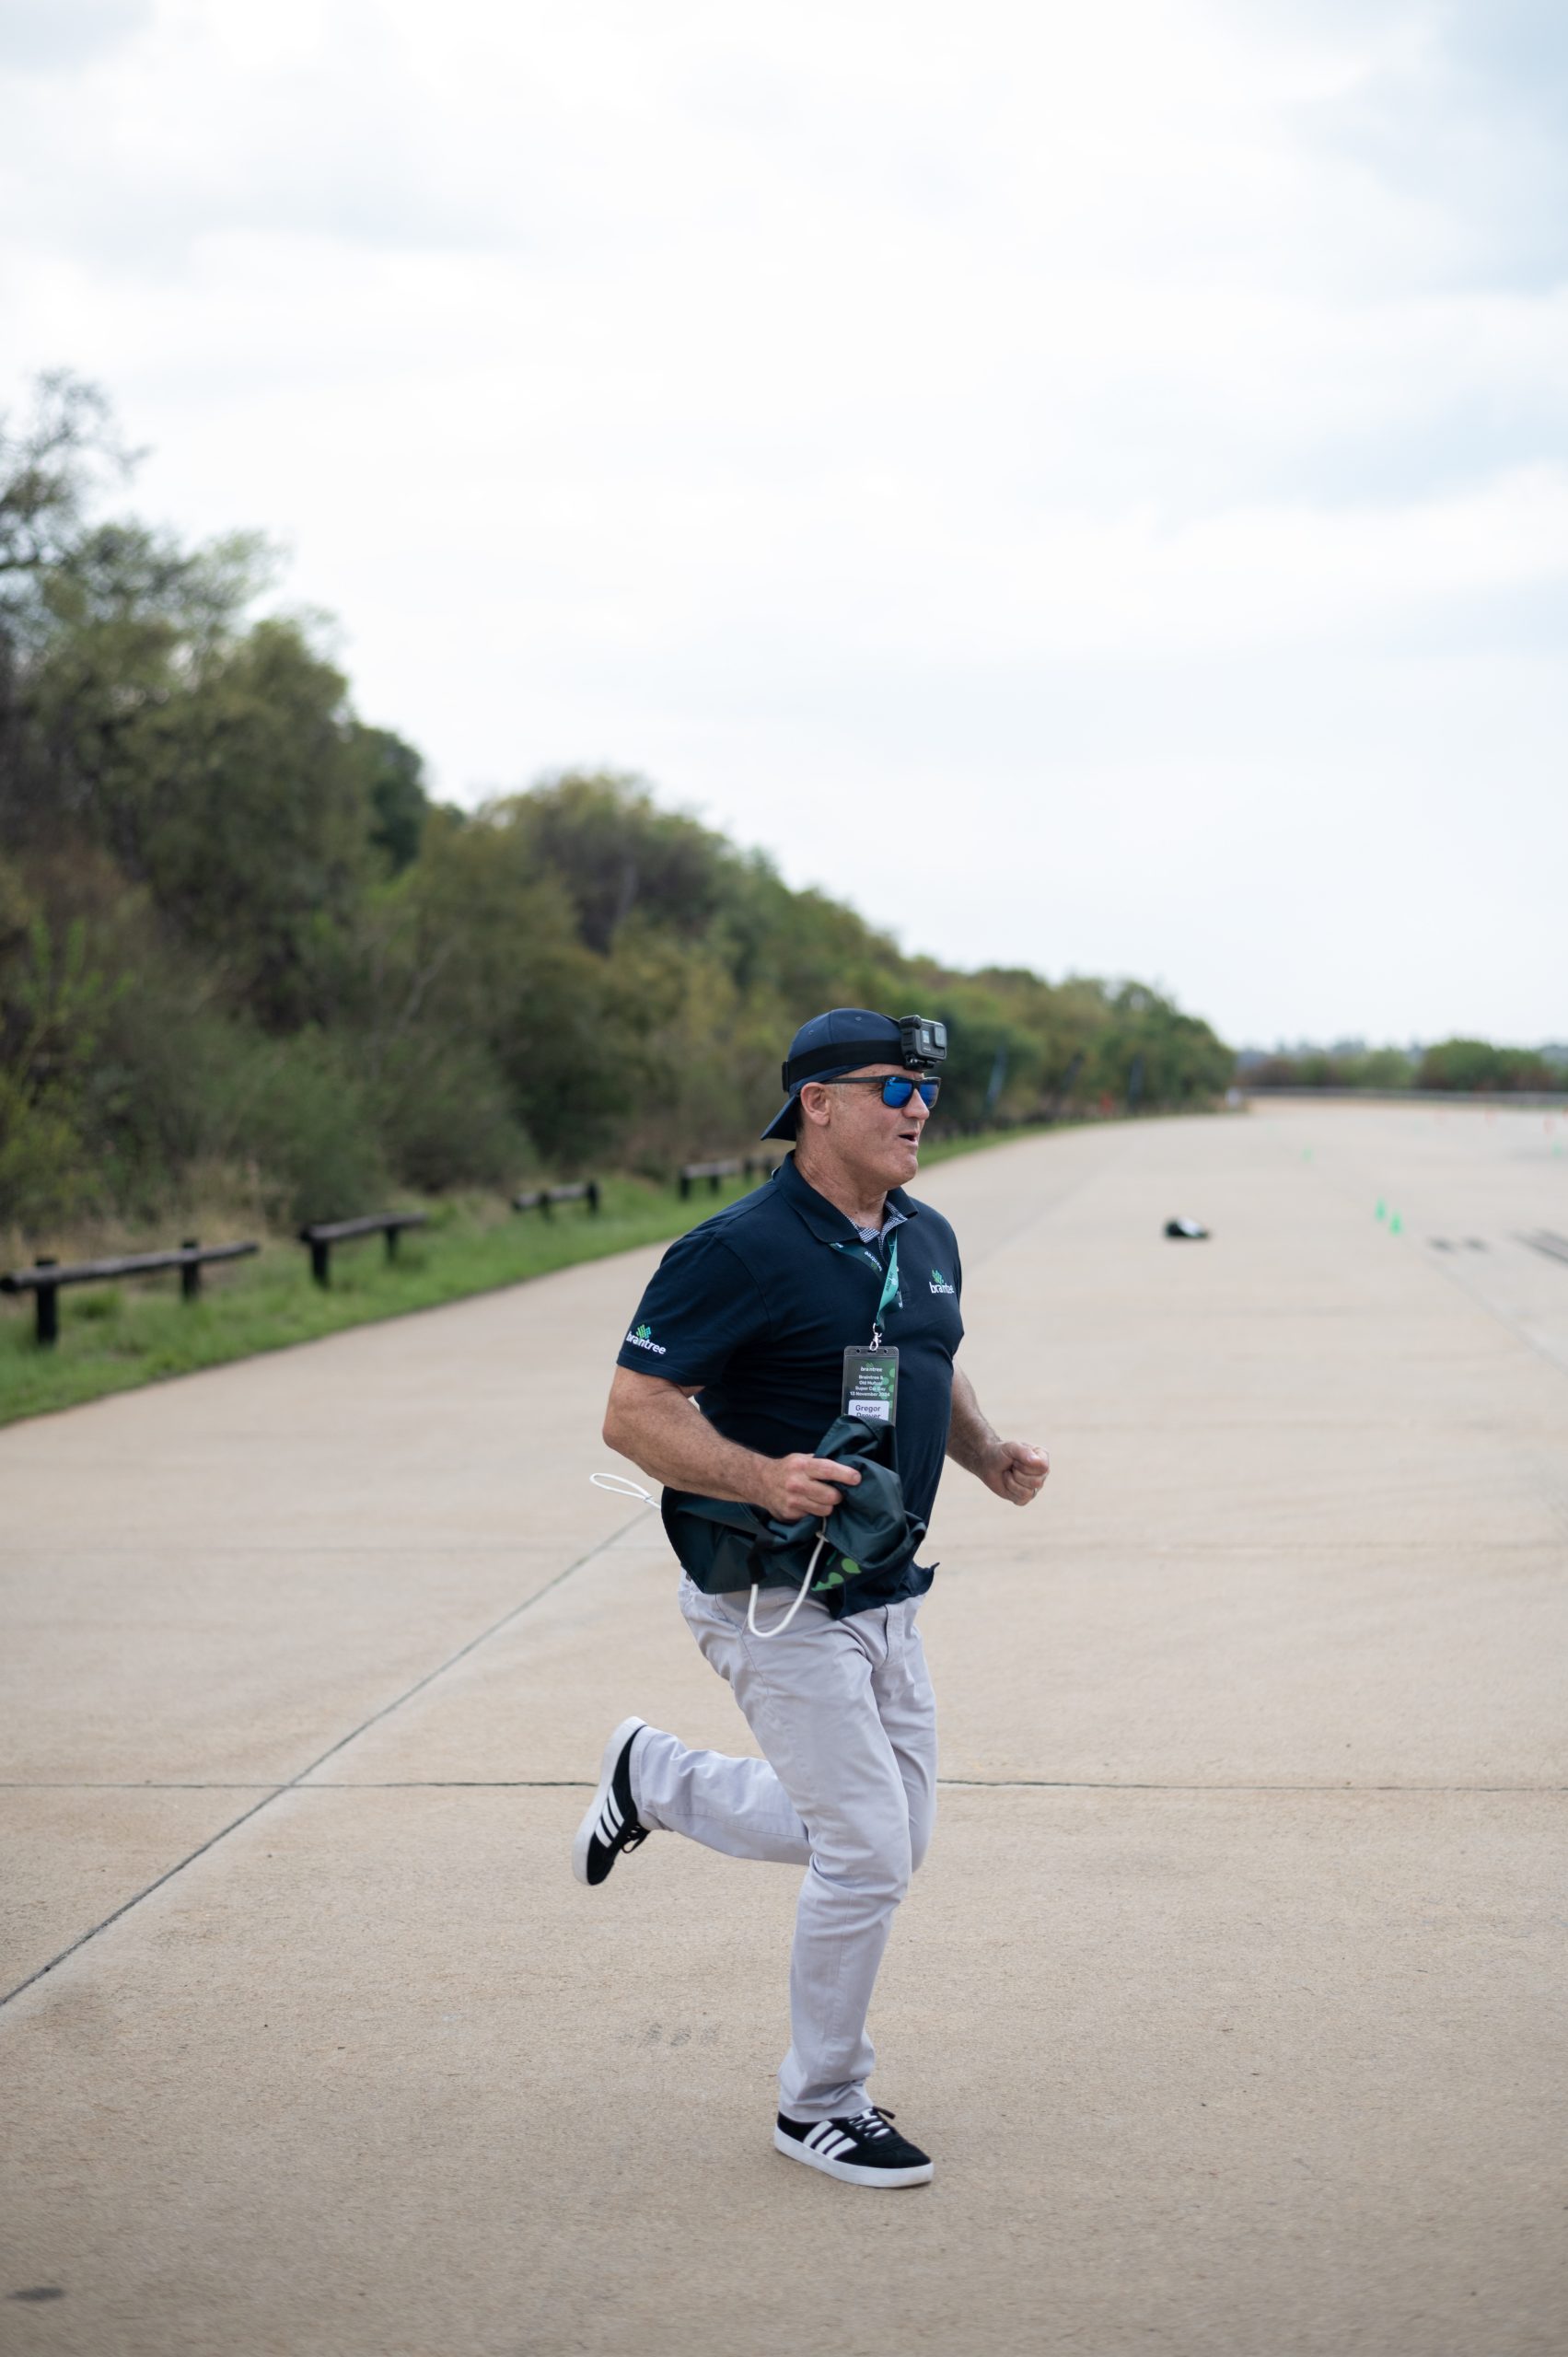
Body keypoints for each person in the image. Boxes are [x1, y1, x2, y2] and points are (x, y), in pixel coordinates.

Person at [578, 1006, 1049, 2189]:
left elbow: (931, 1351)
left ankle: (651, 1776)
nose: (917, 1107)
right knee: (867, 1853)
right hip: (771, 1597)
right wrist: (760, 1476)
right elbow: (633, 1410)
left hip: (884, 1589)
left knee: (890, 1835)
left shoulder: (922, 1232)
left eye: (924, 1087)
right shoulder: (734, 1248)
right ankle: (819, 2102)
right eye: (891, 1086)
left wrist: (983, 1450)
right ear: (815, 1103)